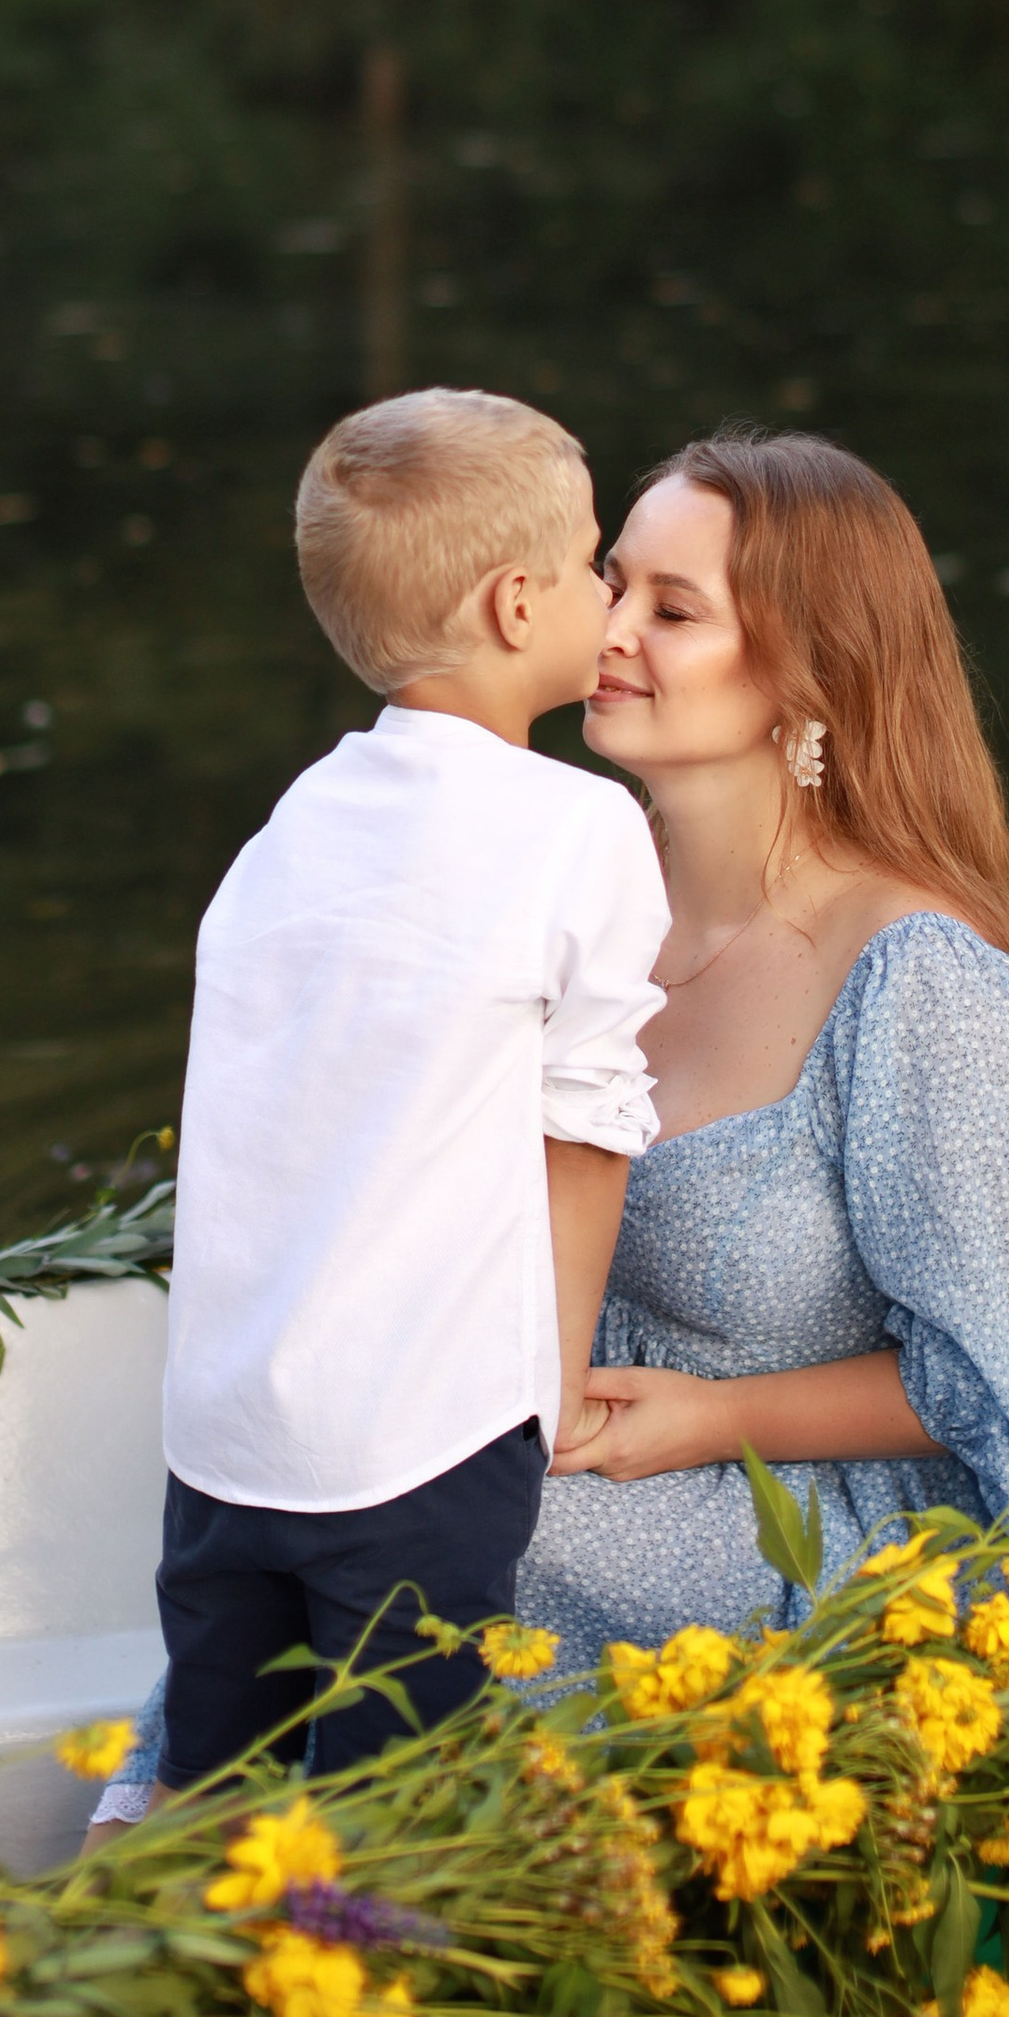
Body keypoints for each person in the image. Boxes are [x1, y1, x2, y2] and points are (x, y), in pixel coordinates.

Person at [523, 425, 1009, 1663]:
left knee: (431, 1541)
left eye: (673, 609)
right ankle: (166, 1826)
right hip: (575, 1449)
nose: (609, 631)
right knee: (332, 1484)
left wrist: (717, 1422)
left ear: (806, 675)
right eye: (613, 583)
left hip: (828, 1527)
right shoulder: (575, 894)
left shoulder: (918, 985)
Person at [147, 388, 665, 1796]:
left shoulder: (294, 824)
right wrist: (544, 1396)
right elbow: (588, 1126)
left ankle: (199, 2007)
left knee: (218, 1809)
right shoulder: (579, 826)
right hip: (421, 1443)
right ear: (515, 606)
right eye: (592, 564)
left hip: (226, 1441)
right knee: (398, 1835)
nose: (609, 594)